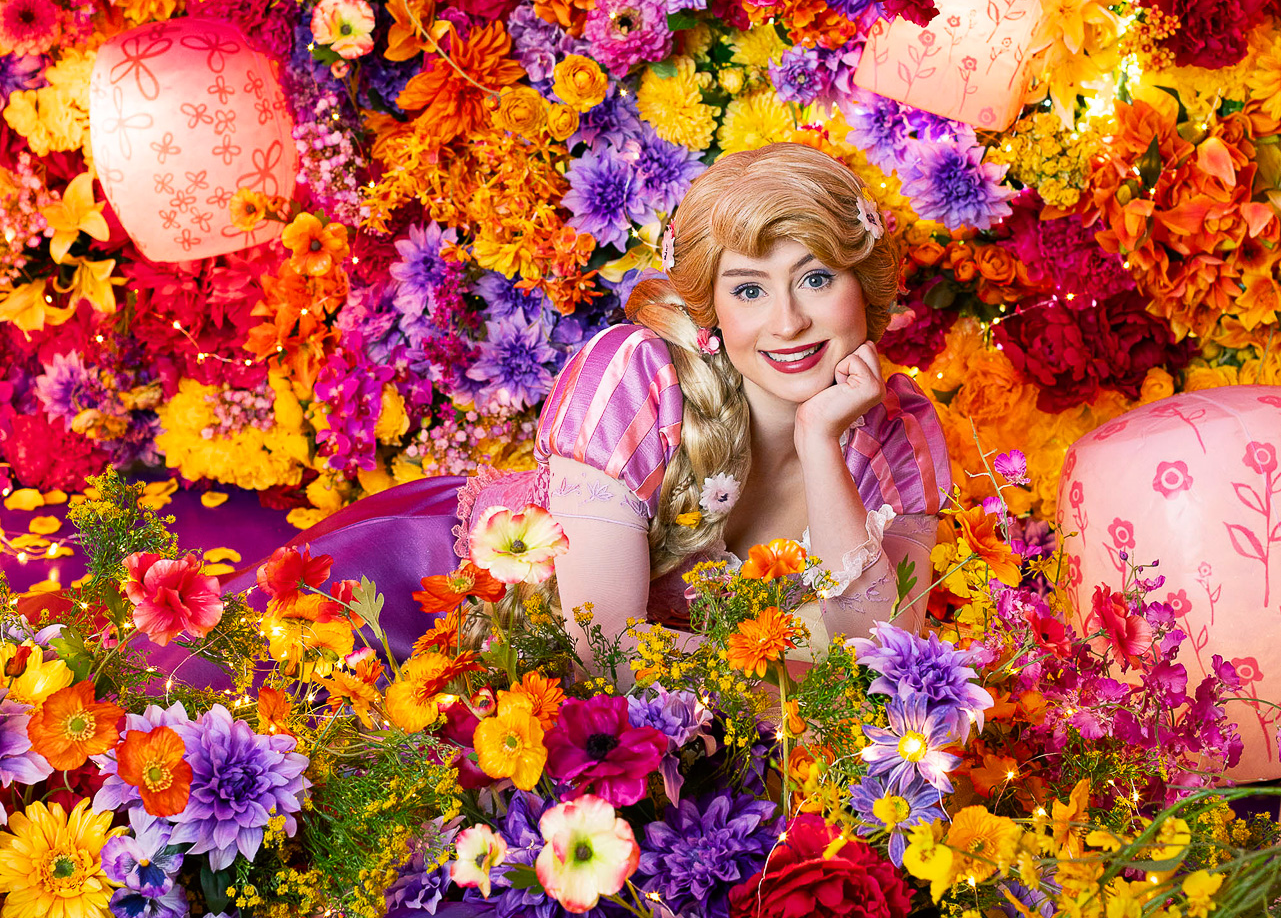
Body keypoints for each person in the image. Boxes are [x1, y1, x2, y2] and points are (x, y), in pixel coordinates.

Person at [170, 143, 949, 675]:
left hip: (668, 704)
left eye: (815, 279)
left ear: (864, 287)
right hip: (438, 610)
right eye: (749, 289)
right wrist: (785, 692)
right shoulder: (636, 378)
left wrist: (820, 439)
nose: (787, 322)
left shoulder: (901, 431)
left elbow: (880, 654)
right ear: (710, 311)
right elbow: (600, 651)